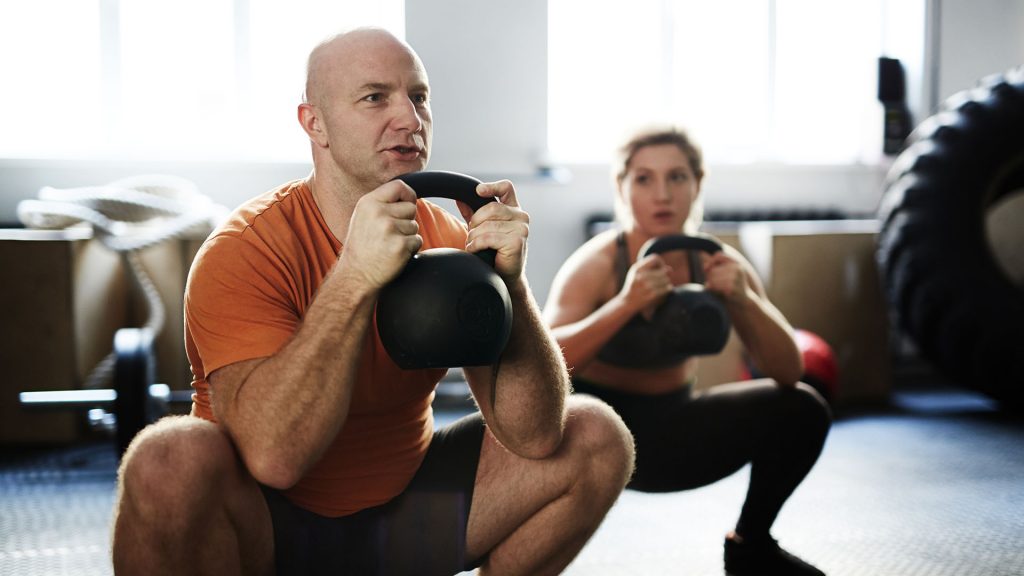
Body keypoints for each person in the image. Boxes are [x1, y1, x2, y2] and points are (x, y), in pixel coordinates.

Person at [110, 27, 635, 576]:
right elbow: (274, 458)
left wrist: (512, 287)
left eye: (419, 97)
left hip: (405, 529)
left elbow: (535, 435)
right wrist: (355, 275)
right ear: (315, 123)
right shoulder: (246, 248)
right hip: (268, 537)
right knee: (168, 457)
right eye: (375, 97)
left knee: (596, 435)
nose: (410, 118)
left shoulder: (450, 240)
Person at [543, 124, 832, 576]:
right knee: (534, 426)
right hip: (587, 436)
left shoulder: (719, 263)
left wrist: (744, 300)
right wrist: (625, 304)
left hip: (673, 433)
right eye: (644, 178)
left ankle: (750, 547)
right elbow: (541, 364)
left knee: (803, 408)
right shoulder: (597, 263)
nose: (663, 194)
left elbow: (788, 370)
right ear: (622, 187)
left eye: (677, 177)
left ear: (698, 184)